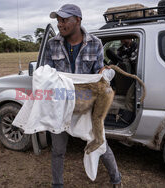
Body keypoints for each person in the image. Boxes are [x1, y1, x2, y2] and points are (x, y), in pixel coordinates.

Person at [43, 4, 122, 188]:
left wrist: (103, 72)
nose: (60, 24)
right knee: (58, 150)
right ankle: (57, 185)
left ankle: (116, 180)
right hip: (61, 102)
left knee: (100, 144)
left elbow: (97, 74)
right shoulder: (52, 44)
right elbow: (47, 73)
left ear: (78, 20)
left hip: (86, 102)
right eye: (58, 21)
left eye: (64, 20)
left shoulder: (95, 43)